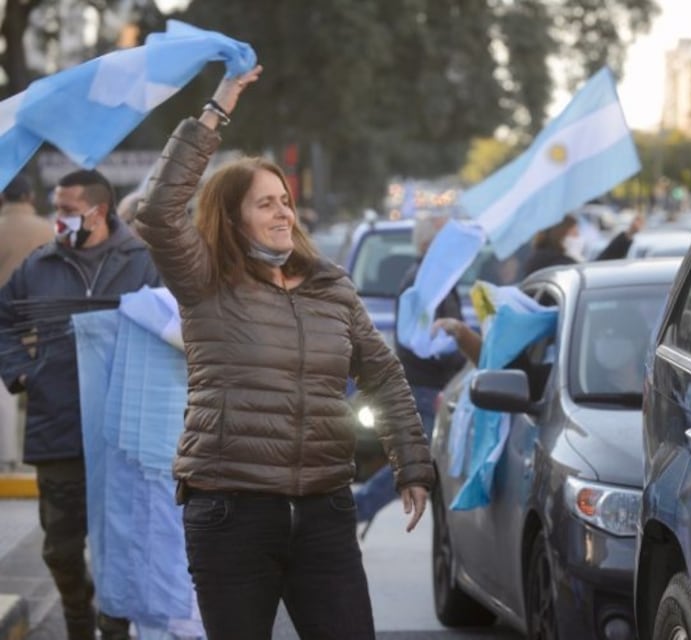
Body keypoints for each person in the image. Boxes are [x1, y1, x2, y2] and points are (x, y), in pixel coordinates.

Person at [133, 65, 433, 640]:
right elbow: (157, 213)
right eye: (265, 204)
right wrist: (215, 111)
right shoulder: (206, 282)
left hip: (325, 511)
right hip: (231, 512)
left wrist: (411, 465)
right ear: (231, 215)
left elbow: (385, 376)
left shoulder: (331, 285)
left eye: (285, 201)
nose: (283, 213)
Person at [0, 168, 160, 640]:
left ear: (100, 211)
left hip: (125, 431)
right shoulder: (39, 266)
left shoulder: (144, 262)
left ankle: (113, 627)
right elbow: (3, 321)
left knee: (124, 545)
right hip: (60, 425)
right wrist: (21, 371)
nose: (59, 219)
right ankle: (76, 616)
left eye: (68, 211)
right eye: (57, 210)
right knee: (61, 549)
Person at [354, 213, 467, 533]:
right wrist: (458, 351)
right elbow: (417, 339)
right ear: (428, 244)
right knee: (414, 463)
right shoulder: (424, 281)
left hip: (434, 385)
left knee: (422, 462)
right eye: (447, 239)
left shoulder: (436, 278)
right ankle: (355, 509)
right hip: (426, 386)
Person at [0, 174, 53, 470]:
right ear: (30, 198)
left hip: (3, 319)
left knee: (4, 395)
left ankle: (7, 456)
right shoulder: (48, 230)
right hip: (42, 318)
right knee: (42, 387)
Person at [520, 211, 644, 278]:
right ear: (561, 235)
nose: (579, 238)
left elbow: (596, 268)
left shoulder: (558, 261)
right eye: (575, 233)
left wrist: (628, 234)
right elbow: (593, 274)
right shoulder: (558, 267)